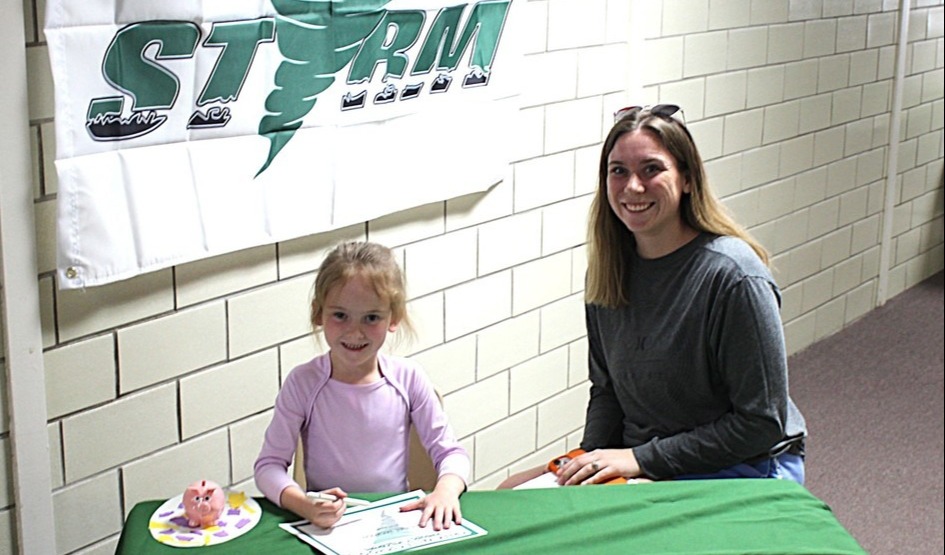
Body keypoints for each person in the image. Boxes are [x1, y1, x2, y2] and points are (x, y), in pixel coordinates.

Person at [500, 104, 807, 489]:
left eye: (651, 169)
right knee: (511, 491)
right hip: (649, 460)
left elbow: (761, 423)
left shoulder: (733, 277)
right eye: (619, 171)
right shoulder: (609, 273)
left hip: (742, 465)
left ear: (688, 179)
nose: (632, 187)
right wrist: (588, 458)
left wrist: (640, 459)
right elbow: (608, 391)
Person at [254, 241, 469, 529]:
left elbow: (452, 455)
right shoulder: (302, 383)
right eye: (340, 315)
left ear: (393, 318)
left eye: (371, 318)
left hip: (393, 523)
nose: (355, 331)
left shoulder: (408, 378)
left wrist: (445, 491)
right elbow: (268, 466)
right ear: (318, 313)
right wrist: (303, 503)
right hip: (328, 527)